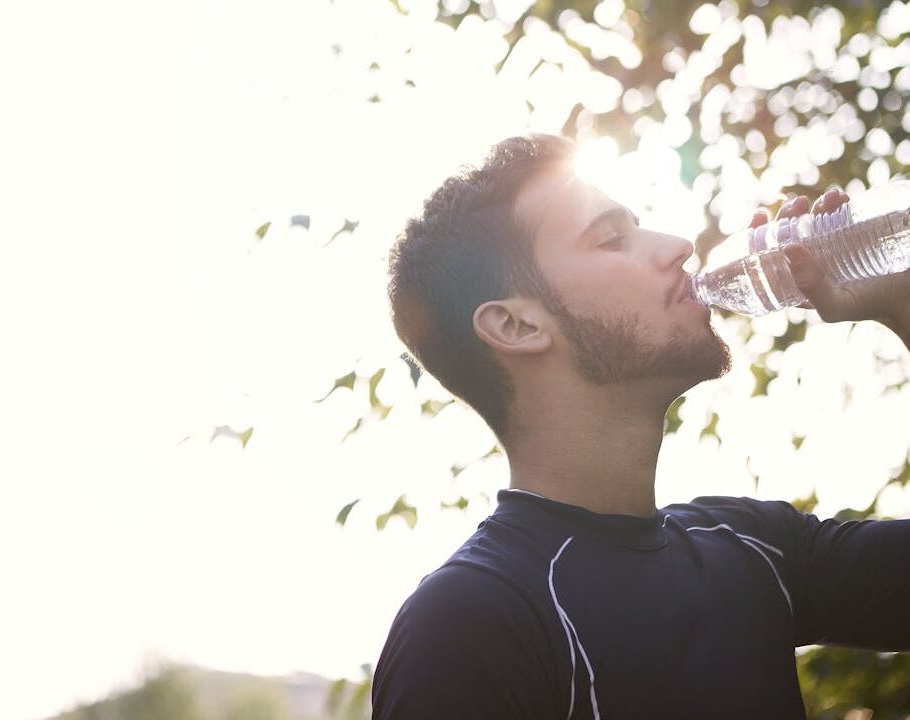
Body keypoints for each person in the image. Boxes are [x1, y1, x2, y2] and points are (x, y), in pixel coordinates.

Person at [372, 134, 910, 719]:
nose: (678, 246)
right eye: (612, 239)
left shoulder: (753, 548)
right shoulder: (469, 621)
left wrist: (900, 304)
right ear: (516, 326)